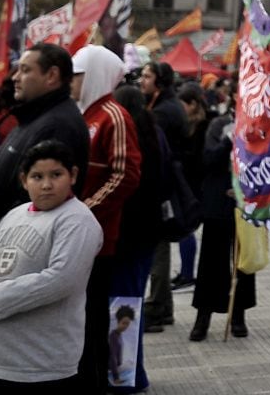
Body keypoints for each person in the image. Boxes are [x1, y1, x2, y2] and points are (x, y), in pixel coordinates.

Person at [0, 139, 104, 394]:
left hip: (43, 362)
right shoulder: (14, 215)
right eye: (37, 176)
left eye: (56, 175)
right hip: (1, 358)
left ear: (72, 175)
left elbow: (59, 280)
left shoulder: (77, 219)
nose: (47, 184)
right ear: (24, 179)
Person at [72, 45, 141, 395]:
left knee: (94, 319)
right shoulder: (84, 115)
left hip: (99, 237)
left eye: (77, 75)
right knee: (80, 320)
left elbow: (125, 174)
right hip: (77, 237)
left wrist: (84, 211)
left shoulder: (113, 116)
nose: (71, 82)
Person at [0, 45, 90, 234]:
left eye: (25, 70)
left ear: (52, 76)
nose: (15, 77)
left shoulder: (57, 126)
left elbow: (36, 201)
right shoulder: (34, 117)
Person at [109, 83, 164, 392]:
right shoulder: (155, 135)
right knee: (131, 303)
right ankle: (133, 373)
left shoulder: (127, 141)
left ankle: (125, 379)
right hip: (147, 235)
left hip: (126, 234)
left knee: (123, 306)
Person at [189, 100, 253, 341]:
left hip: (243, 204)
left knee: (242, 262)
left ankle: (238, 316)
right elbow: (208, 159)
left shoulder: (258, 123)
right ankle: (202, 318)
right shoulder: (218, 124)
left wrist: (241, 188)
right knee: (211, 263)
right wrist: (229, 139)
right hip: (217, 205)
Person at [138, 61, 188, 327]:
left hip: (161, 189)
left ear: (159, 81)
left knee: (157, 246)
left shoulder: (163, 112)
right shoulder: (163, 106)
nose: (142, 81)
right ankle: (163, 305)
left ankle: (157, 305)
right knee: (160, 245)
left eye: (147, 76)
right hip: (164, 187)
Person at [170, 85, 209, 290]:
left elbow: (199, 158)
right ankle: (186, 272)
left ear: (193, 105)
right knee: (186, 228)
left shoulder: (204, 126)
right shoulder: (187, 125)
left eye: (183, 104)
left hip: (197, 186)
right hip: (187, 183)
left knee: (187, 227)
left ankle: (188, 274)